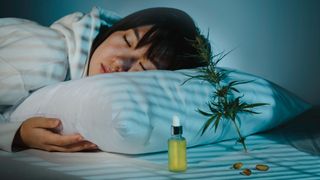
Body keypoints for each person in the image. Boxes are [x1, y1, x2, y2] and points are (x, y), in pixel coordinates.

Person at [0, 7, 208, 152]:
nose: (121, 61)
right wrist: (16, 134)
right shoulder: (47, 57)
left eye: (144, 67)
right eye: (127, 40)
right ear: (114, 30)